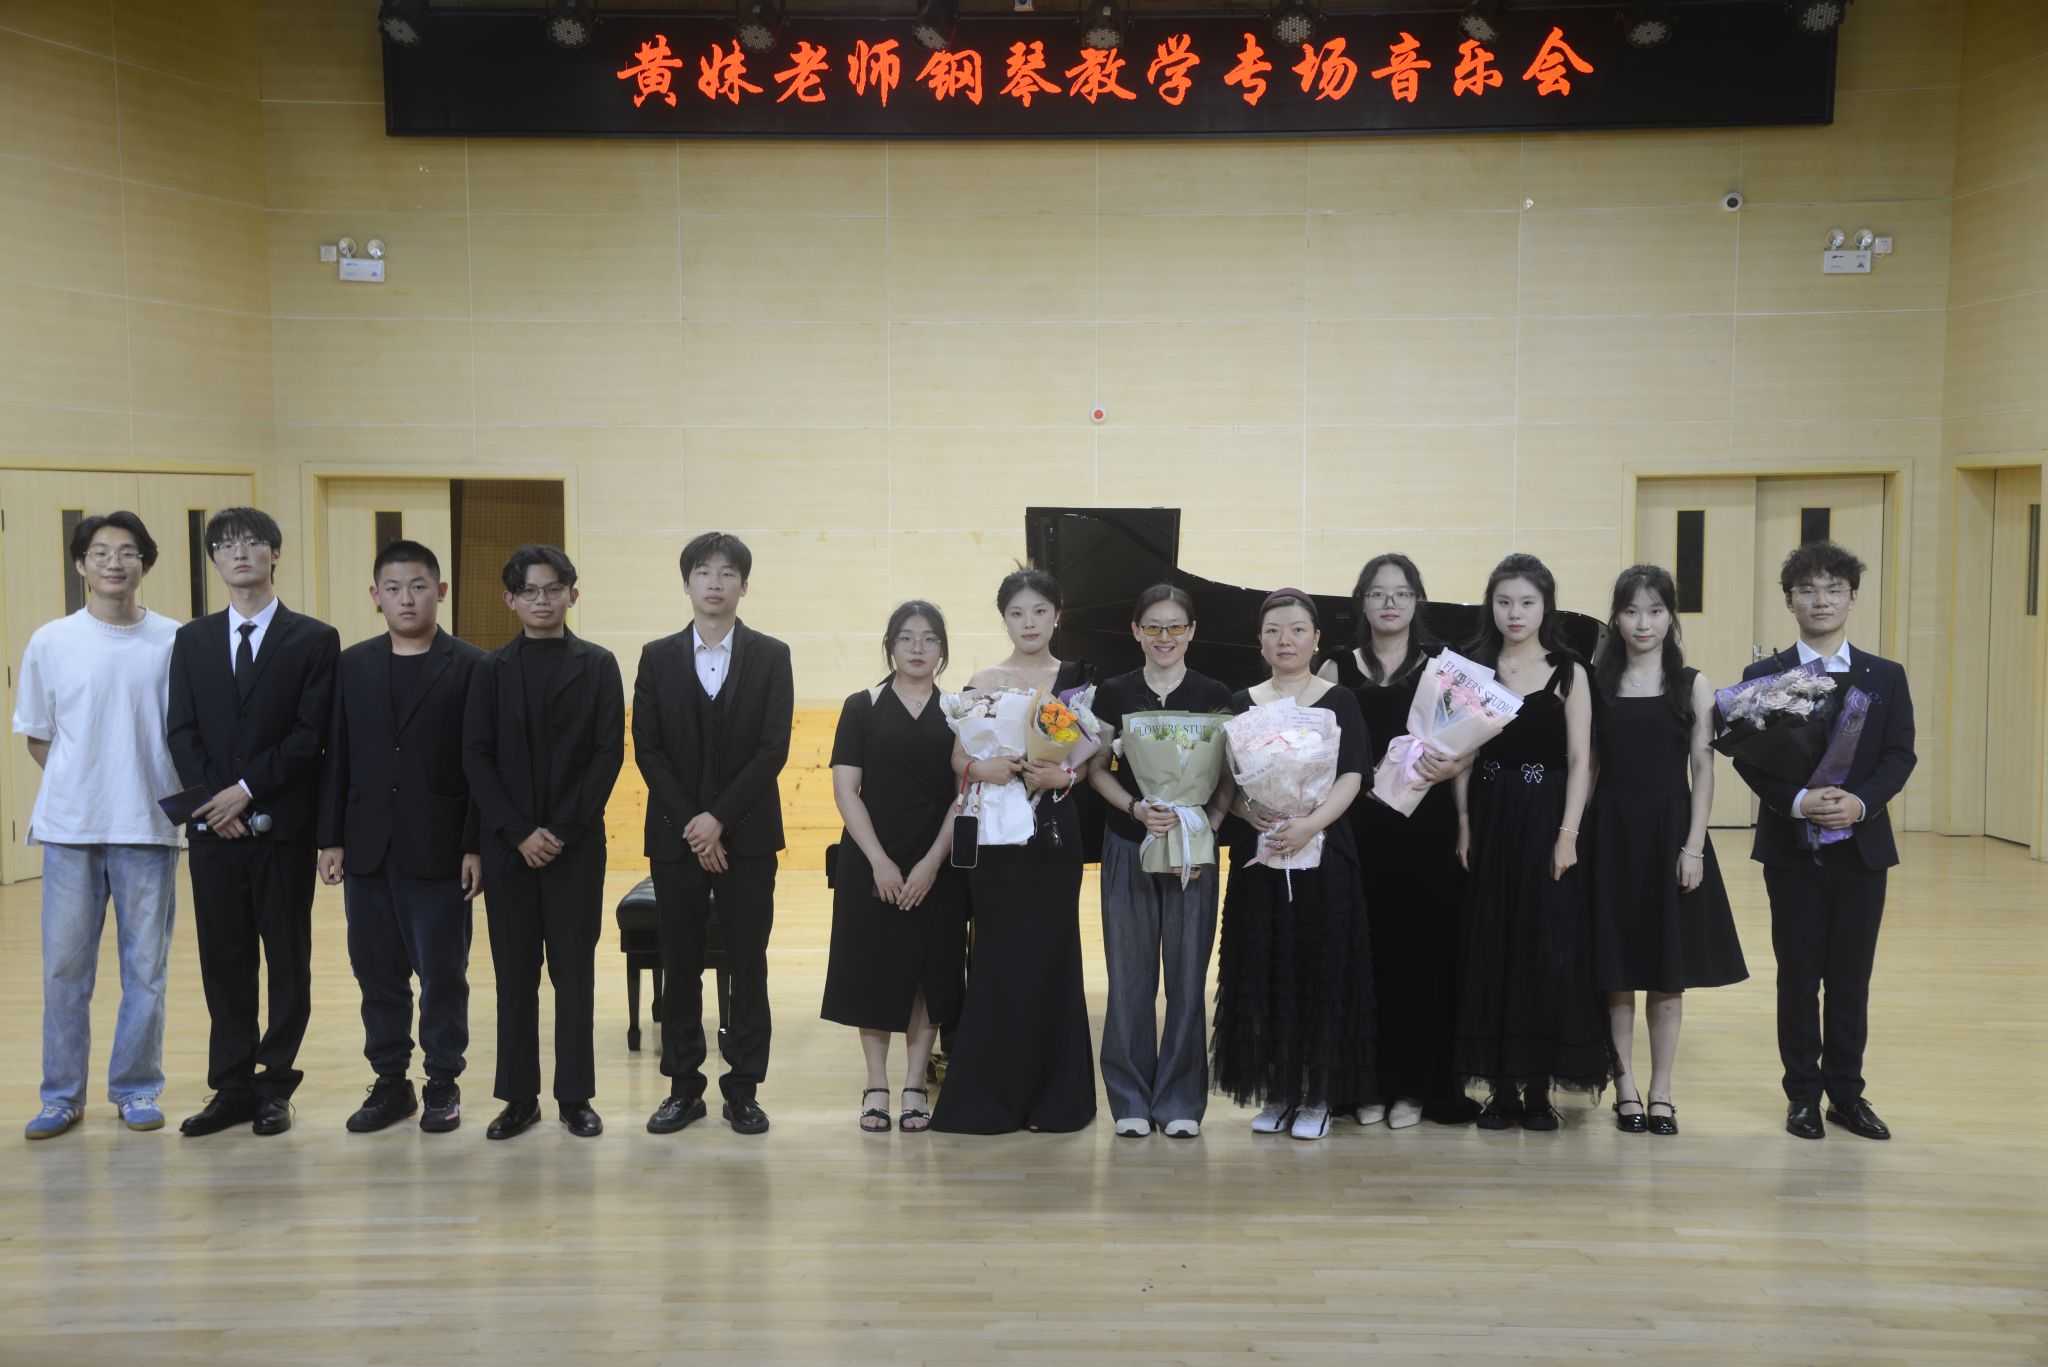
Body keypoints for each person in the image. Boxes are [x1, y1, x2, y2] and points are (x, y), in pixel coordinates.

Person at [1732, 540, 1915, 1143]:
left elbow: (1899, 754)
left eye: (1834, 588)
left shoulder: (1886, 676)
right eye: (1807, 589)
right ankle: (1803, 1097)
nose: (1821, 599)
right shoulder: (1765, 677)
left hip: (1862, 848)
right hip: (1792, 849)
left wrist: (1860, 803)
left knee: (1851, 978)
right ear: (1789, 601)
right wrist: (1795, 801)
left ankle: (1847, 1095)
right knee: (1798, 975)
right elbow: (1748, 759)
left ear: (1853, 598)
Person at [167, 507, 340, 1137]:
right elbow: (180, 731)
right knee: (225, 960)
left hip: (281, 830)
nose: (238, 552)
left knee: (287, 960)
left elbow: (310, 736)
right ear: (214, 560)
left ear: (275, 553)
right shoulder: (191, 640)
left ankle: (274, 1085)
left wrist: (243, 791)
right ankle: (232, 1086)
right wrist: (215, 804)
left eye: (251, 542)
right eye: (224, 545)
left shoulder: (314, 639)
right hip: (214, 833)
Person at [15, 513, 183, 1139]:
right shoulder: (52, 641)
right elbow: (39, 736)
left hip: (149, 825)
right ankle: (61, 1096)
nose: (115, 562)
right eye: (101, 552)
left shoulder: (175, 640)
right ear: (81, 564)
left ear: (146, 564)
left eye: (128, 552)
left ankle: (137, 1088)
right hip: (70, 830)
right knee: (65, 971)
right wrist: (85, 782)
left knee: (146, 971)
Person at [317, 540, 488, 1134]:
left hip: (440, 846)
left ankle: (442, 1081)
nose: (406, 599)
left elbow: (480, 765)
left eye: (418, 587)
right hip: (367, 845)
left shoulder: (473, 666)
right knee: (376, 973)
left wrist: (474, 844)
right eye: (393, 588)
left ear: (440, 591)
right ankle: (391, 1082)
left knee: (443, 974)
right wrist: (330, 837)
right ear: (376, 596)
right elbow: (336, 754)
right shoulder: (352, 664)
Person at [635, 532, 794, 1138]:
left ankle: (744, 1089)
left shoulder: (772, 655)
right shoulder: (655, 656)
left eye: (728, 573)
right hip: (676, 839)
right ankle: (683, 1088)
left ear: (744, 586)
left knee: (749, 962)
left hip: (748, 838)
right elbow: (648, 748)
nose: (715, 582)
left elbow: (772, 748)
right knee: (679, 963)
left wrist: (719, 819)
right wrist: (696, 827)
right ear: (687, 583)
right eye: (703, 571)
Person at [462, 545, 624, 1140]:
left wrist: (559, 831)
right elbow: (476, 757)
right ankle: (518, 1098)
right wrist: (518, 833)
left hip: (574, 849)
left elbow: (607, 753)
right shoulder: (489, 670)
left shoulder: (599, 665)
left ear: (572, 594)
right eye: (529, 591)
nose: (542, 600)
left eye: (553, 589)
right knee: (514, 977)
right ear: (510, 599)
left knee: (574, 976)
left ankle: (575, 1097)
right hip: (508, 849)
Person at [930, 568, 1096, 1134]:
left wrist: (1063, 776)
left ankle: (1055, 1100)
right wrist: (985, 769)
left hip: (1052, 833)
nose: (1029, 623)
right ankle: (992, 1097)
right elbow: (959, 758)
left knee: (1053, 954)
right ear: (1004, 619)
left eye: (1039, 611)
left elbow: (1089, 759)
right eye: (1017, 613)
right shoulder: (983, 680)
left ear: (1057, 615)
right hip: (997, 833)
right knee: (998, 956)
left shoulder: (1076, 683)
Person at [1317, 554, 1480, 1130]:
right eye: (1378, 593)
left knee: (1421, 954)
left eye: (1402, 593)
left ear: (1417, 602)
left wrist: (1460, 794)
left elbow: (1469, 745)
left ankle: (1414, 1087)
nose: (1390, 603)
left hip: (1425, 828)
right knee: (1361, 956)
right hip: (1356, 827)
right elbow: (1317, 748)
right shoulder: (1336, 665)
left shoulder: (1443, 666)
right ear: (1362, 602)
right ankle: (1364, 1084)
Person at [1451, 553, 1611, 1130]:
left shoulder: (1569, 671)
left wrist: (1569, 834)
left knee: (1546, 944)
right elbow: (1460, 752)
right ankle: (1500, 1087)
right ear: (1490, 606)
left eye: (1526, 602)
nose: (1514, 613)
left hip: (1546, 815)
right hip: (1490, 812)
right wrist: (1464, 823)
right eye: (1503, 602)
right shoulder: (1472, 667)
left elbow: (1581, 759)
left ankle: (1539, 1086)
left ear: (1546, 607)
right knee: (1492, 942)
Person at [1586, 565, 1746, 1138]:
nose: (1643, 623)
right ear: (1616, 618)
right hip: (1610, 832)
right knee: (1616, 970)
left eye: (1655, 611)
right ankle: (1625, 1085)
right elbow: (1589, 767)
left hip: (1671, 831)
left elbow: (1703, 769)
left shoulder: (1692, 684)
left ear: (1670, 616)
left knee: (1666, 971)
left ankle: (1661, 1091)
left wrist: (1694, 847)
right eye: (1631, 611)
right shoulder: (1597, 682)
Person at [1211, 589, 1375, 1142]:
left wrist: (1310, 824)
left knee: (1319, 970)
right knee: (1266, 968)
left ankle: (1319, 1096)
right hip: (1261, 853)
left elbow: (1352, 774)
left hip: (1324, 851)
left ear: (1316, 639)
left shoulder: (1339, 700)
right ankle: (1279, 1092)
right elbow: (1227, 783)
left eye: (1298, 629)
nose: (1286, 640)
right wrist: (1249, 811)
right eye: (1274, 630)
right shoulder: (1241, 702)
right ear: (1260, 641)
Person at [1084, 584, 1232, 1139]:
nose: (1164, 637)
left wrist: (1207, 824)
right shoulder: (1114, 692)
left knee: (1189, 978)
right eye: (1153, 626)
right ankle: (1129, 1097)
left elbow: (1228, 776)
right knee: (1128, 975)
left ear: (1191, 631)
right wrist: (1135, 808)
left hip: (1194, 851)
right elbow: (1096, 768)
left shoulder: (1215, 694)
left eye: (1175, 626)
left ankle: (1181, 1101)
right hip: (1129, 843)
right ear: (1136, 631)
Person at [823, 601, 967, 1134]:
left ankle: (914, 1085)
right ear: (890, 646)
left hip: (937, 858)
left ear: (942, 650)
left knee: (929, 974)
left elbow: (964, 794)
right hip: (871, 857)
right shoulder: (861, 706)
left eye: (929, 639)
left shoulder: (959, 711)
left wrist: (931, 863)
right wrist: (879, 862)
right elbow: (846, 789)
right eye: (906, 638)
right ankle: (876, 1084)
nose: (917, 648)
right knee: (874, 969)